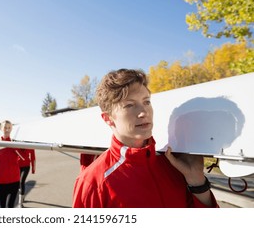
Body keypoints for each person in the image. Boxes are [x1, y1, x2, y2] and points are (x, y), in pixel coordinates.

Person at [73, 68, 218, 208]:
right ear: (108, 118)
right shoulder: (92, 182)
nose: (143, 112)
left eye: (146, 102)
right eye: (129, 105)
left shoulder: (175, 164)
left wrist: (197, 182)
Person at [0, 120, 20, 208]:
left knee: (10, 206)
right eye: (5, 127)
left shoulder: (15, 144)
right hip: (1, 182)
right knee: (3, 207)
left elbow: (24, 159)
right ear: (1, 129)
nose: (7, 130)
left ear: (11, 129)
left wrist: (16, 147)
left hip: (15, 181)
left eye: (9, 128)